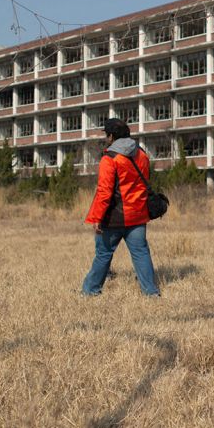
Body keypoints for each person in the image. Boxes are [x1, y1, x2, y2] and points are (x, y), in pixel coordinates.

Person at [82, 117, 160, 297]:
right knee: (141, 253)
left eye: (106, 135)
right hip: (138, 214)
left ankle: (90, 291)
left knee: (103, 254)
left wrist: (96, 217)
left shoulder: (109, 158)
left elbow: (104, 192)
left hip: (114, 217)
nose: (105, 139)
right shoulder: (141, 153)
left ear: (111, 136)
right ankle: (151, 292)